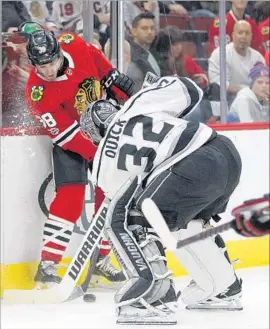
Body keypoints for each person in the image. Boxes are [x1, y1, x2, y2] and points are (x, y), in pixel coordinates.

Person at [80, 75, 243, 323]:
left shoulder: (103, 162)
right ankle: (222, 287)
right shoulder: (137, 104)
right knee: (188, 222)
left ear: (93, 135)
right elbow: (192, 89)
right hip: (225, 153)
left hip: (191, 167)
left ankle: (151, 295)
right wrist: (152, 89)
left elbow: (125, 205)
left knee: (131, 218)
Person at [25, 29, 134, 288]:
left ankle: (102, 260)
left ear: (59, 52)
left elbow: (94, 54)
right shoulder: (36, 94)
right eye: (41, 66)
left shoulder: (72, 42)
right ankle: (48, 265)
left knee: (110, 195)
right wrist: (101, 154)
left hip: (103, 128)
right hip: (72, 142)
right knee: (70, 198)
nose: (48, 71)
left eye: (51, 62)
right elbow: (67, 135)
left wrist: (109, 74)